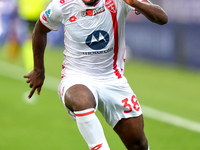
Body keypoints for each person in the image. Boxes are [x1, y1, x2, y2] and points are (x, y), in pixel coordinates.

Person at [24, 0, 168, 149]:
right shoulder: (62, 4)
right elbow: (40, 30)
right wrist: (38, 70)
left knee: (138, 144)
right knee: (80, 99)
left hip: (113, 79)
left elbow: (162, 18)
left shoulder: (119, 2)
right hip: (76, 76)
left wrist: (134, 2)